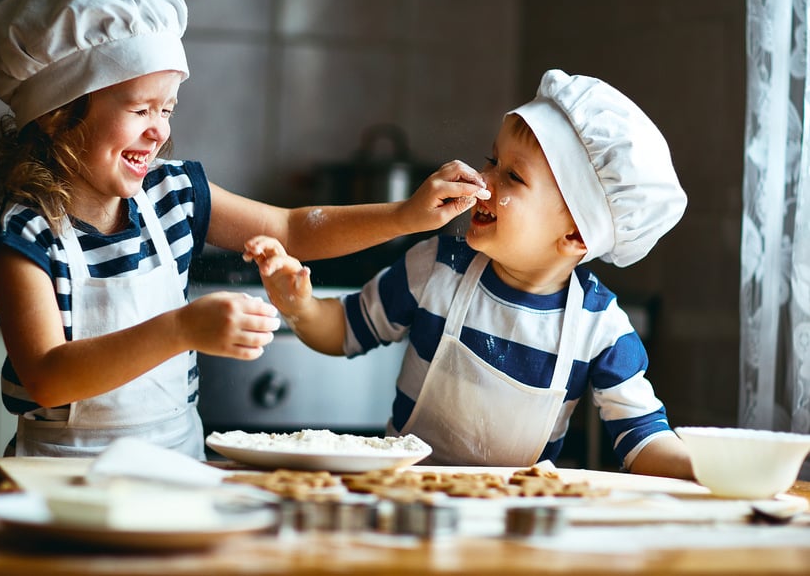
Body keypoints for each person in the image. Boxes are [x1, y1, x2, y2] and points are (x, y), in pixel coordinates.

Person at [0, 0, 489, 459]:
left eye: (167, 109)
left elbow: (291, 227)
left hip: (176, 469)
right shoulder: (26, 235)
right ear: (59, 115)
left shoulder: (173, 193)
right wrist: (179, 330)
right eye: (140, 108)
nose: (160, 130)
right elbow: (46, 375)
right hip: (58, 482)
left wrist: (405, 216)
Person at [246, 69, 695, 479]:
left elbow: (644, 441)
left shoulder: (601, 328)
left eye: (512, 177)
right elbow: (344, 330)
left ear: (576, 234)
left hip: (514, 521)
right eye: (491, 160)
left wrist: (710, 468)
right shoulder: (436, 267)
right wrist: (300, 306)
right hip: (403, 502)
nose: (483, 180)